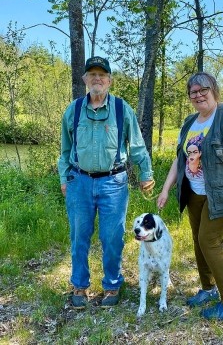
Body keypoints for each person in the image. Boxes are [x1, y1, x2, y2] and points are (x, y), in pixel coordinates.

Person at [58, 56, 154, 310]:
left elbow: (136, 146)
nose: (97, 79)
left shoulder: (123, 110)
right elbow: (65, 150)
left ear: (110, 80)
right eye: (92, 74)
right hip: (79, 182)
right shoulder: (74, 110)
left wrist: (146, 174)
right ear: (85, 80)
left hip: (114, 183)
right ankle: (79, 285)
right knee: (79, 236)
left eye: (102, 75)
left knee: (112, 237)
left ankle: (112, 285)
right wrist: (64, 178)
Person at [157, 72, 223, 320]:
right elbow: (179, 161)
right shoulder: (190, 123)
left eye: (203, 90)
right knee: (199, 241)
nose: (198, 95)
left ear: (214, 90)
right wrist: (166, 189)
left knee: (209, 241)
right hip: (194, 195)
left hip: (221, 195)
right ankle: (208, 288)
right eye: (193, 92)